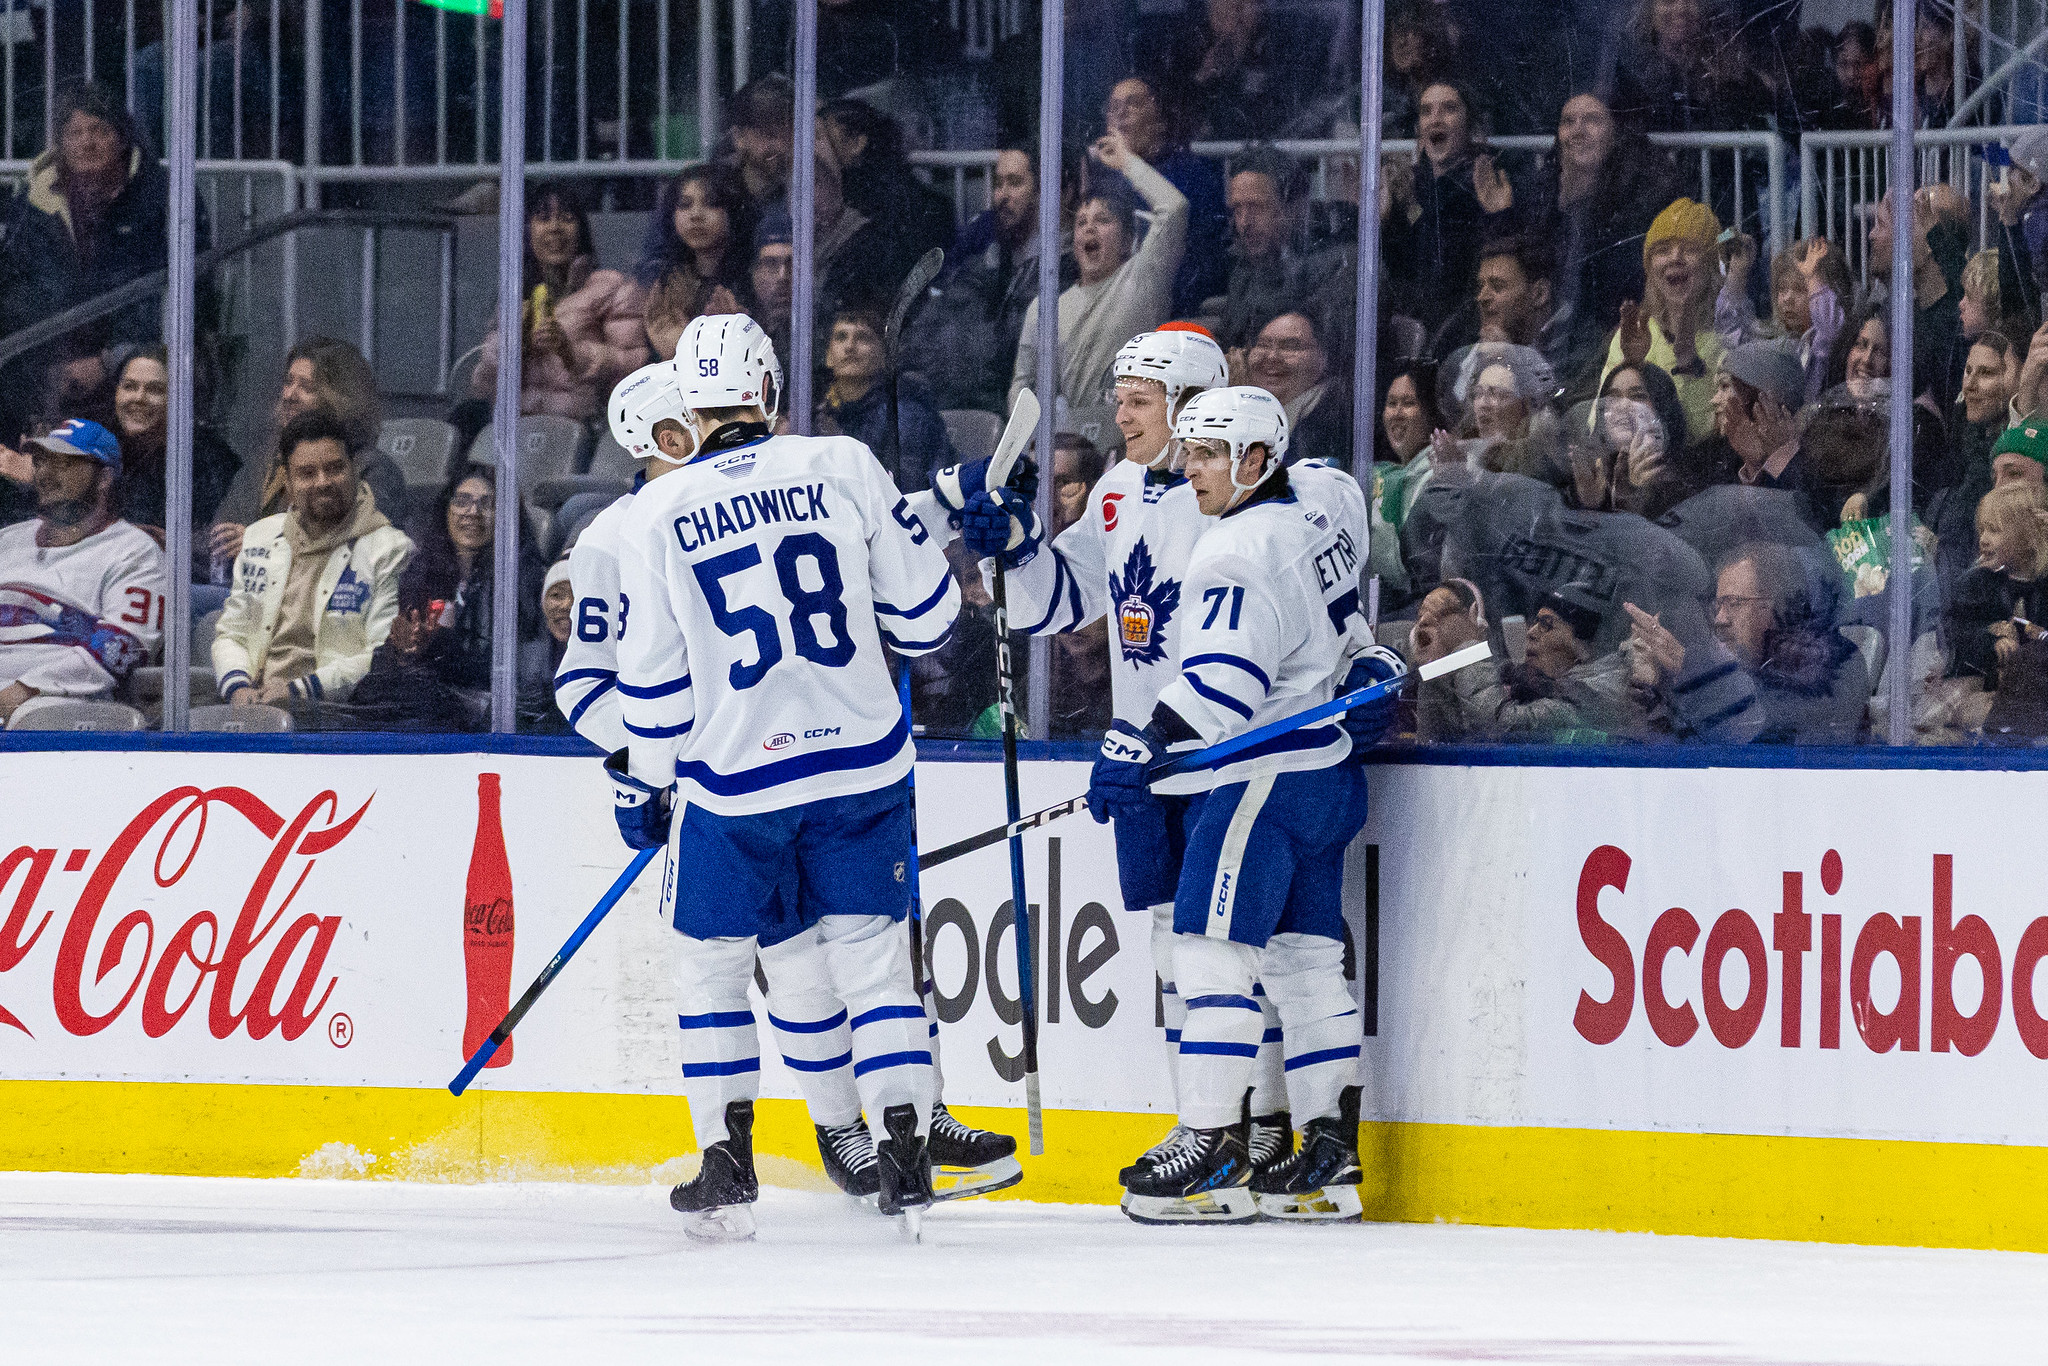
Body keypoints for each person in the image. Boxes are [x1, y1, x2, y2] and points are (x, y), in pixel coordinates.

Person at [953, 326, 1375, 1197]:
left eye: (1141, 399)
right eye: (1120, 397)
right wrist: (1015, 547)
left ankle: (1233, 1133)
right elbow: (1060, 601)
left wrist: (1360, 651)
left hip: (1218, 753)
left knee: (1219, 950)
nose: (1122, 413)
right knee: (1192, 958)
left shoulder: (1262, 502)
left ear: (1193, 411)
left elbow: (1314, 600)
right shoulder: (1116, 493)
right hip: (1158, 763)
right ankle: (1256, 1132)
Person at [606, 315, 963, 1239]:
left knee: (711, 970)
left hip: (736, 788)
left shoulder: (654, 513)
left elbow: (653, 688)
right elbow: (928, 621)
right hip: (863, 766)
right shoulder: (841, 464)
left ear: (691, 405)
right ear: (767, 391)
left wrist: (642, 785)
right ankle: (904, 1151)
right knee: (875, 964)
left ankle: (727, 1163)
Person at [1089, 386, 1391, 1223]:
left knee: (1208, 950)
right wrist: (1371, 657)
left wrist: (1139, 741)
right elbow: (1342, 621)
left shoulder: (1234, 550)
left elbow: (1223, 686)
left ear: (1257, 460)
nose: (1191, 471)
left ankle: (1212, 1143)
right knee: (1303, 964)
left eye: (1209, 455)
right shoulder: (1316, 508)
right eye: (1188, 453)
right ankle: (1328, 1156)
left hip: (1260, 778)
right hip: (1325, 777)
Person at [0, 81, 207, 442]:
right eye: (74, 133)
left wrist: (109, 361)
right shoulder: (33, 207)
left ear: (123, 138)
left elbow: (187, 292)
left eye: (98, 130)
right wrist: (48, 366)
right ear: (60, 143)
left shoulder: (164, 197)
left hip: (138, 359)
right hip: (47, 369)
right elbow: (16, 290)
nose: (86, 143)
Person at [212, 409, 411, 712]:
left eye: (335, 469)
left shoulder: (390, 550)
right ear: (288, 484)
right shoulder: (258, 538)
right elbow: (232, 633)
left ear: (354, 470)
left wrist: (301, 690)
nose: (323, 482)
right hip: (252, 705)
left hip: (334, 715)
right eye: (307, 473)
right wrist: (238, 687)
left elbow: (383, 655)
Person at [1478, 88, 1683, 380]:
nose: (1578, 130)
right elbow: (1534, 266)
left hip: (1612, 333)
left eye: (1591, 120)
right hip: (1558, 331)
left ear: (1616, 132)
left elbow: (1615, 277)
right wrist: (1501, 216)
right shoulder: (1548, 188)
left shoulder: (1650, 190)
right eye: (1568, 121)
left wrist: (1577, 209)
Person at [349, 466, 545, 731]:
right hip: (424, 704)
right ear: (446, 509)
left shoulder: (523, 578)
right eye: (462, 501)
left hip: (485, 716)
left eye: (487, 504)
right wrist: (404, 650)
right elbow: (396, 657)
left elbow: (514, 669)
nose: (473, 513)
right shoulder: (421, 570)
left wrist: (438, 647)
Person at [1011, 130, 1188, 417]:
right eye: (1081, 223)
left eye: (1103, 220)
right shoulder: (1045, 309)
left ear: (1128, 240)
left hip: (1135, 435)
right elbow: (1024, 388)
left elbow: (1174, 208)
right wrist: (1031, 444)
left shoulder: (1142, 279)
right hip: (1070, 447)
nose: (1089, 228)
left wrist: (1127, 162)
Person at [0, 419, 164, 723]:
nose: (46, 474)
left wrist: (25, 690)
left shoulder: (135, 552)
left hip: (58, 704)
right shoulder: (8, 540)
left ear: (103, 478)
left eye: (63, 463)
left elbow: (122, 648)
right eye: (41, 461)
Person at [210, 338, 405, 567]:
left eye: (306, 387)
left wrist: (260, 543)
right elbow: (223, 528)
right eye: (288, 382)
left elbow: (352, 544)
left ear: (341, 401)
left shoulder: (373, 469)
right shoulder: (269, 463)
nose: (289, 395)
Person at [470, 184, 646, 430]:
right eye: (543, 218)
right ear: (527, 231)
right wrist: (516, 344)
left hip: (583, 430)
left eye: (566, 218)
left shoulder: (610, 287)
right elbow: (483, 384)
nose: (554, 227)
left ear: (582, 231)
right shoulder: (515, 295)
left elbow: (633, 367)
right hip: (519, 432)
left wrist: (572, 353)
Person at [901, 147, 1050, 415]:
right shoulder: (979, 261)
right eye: (998, 184)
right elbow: (925, 335)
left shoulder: (1055, 270)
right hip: (961, 400)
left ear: (1041, 192)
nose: (1002, 195)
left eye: (1015, 183)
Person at [1090, 75, 1228, 318]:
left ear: (1159, 121)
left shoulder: (1192, 175)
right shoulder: (1102, 182)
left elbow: (1203, 260)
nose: (1121, 112)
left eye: (1133, 103)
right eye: (1114, 107)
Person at [1381, 81, 1508, 334]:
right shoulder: (1409, 186)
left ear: (1469, 124)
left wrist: (1499, 215)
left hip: (1465, 326)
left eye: (1449, 109)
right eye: (1426, 111)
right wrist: (1384, 222)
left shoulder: (1489, 180)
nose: (1435, 119)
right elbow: (1400, 274)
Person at [1597, 199, 1726, 446]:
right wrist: (1631, 365)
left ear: (1711, 265)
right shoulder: (1633, 333)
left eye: (1690, 249)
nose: (1675, 258)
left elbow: (1705, 440)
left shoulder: (1728, 336)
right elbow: (1600, 426)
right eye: (1663, 250)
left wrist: (1689, 364)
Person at [104, 347, 242, 567]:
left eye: (155, 390)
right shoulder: (103, 444)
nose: (139, 398)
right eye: (129, 387)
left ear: (179, 398)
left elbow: (207, 543)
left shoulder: (208, 459)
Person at [1215, 149, 1351, 352]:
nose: (1244, 223)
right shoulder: (1244, 268)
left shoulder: (1338, 265)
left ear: (1295, 208)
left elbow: (1323, 353)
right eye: (1237, 209)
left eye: (1256, 207)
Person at [816, 307, 956, 493]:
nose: (849, 347)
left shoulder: (904, 415)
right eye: (841, 337)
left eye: (863, 338)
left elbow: (906, 494)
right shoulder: (818, 411)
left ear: (884, 355)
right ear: (828, 356)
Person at [1716, 237, 1851, 407]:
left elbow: (1829, 330)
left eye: (1800, 289)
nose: (1787, 299)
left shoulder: (1826, 348)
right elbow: (1732, 339)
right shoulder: (1783, 345)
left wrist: (1813, 277)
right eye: (1782, 289)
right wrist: (1737, 274)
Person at [820, 99, 954, 263]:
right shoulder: (926, 203)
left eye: (819, 136)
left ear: (856, 143)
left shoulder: (859, 210)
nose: (813, 147)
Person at [1948, 482, 2048, 693]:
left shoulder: (2043, 587)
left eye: (1994, 530)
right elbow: (1957, 627)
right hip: (1985, 687)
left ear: (2027, 537)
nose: (1983, 539)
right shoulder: (1980, 584)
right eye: (1982, 529)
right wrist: (1990, 642)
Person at [1242, 309, 1352, 469]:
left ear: (1324, 357)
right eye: (1263, 345)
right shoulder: (1250, 410)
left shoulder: (1335, 419)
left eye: (1290, 347)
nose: (1272, 356)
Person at [635, 162, 758, 300]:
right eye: (685, 205)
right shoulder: (661, 284)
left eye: (711, 203)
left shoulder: (754, 280)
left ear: (733, 212)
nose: (696, 215)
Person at [1429, 235, 1560, 365]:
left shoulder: (1566, 344)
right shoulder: (1476, 342)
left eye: (1497, 286)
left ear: (1539, 294)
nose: (1481, 297)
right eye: (1481, 286)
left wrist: (1509, 361)